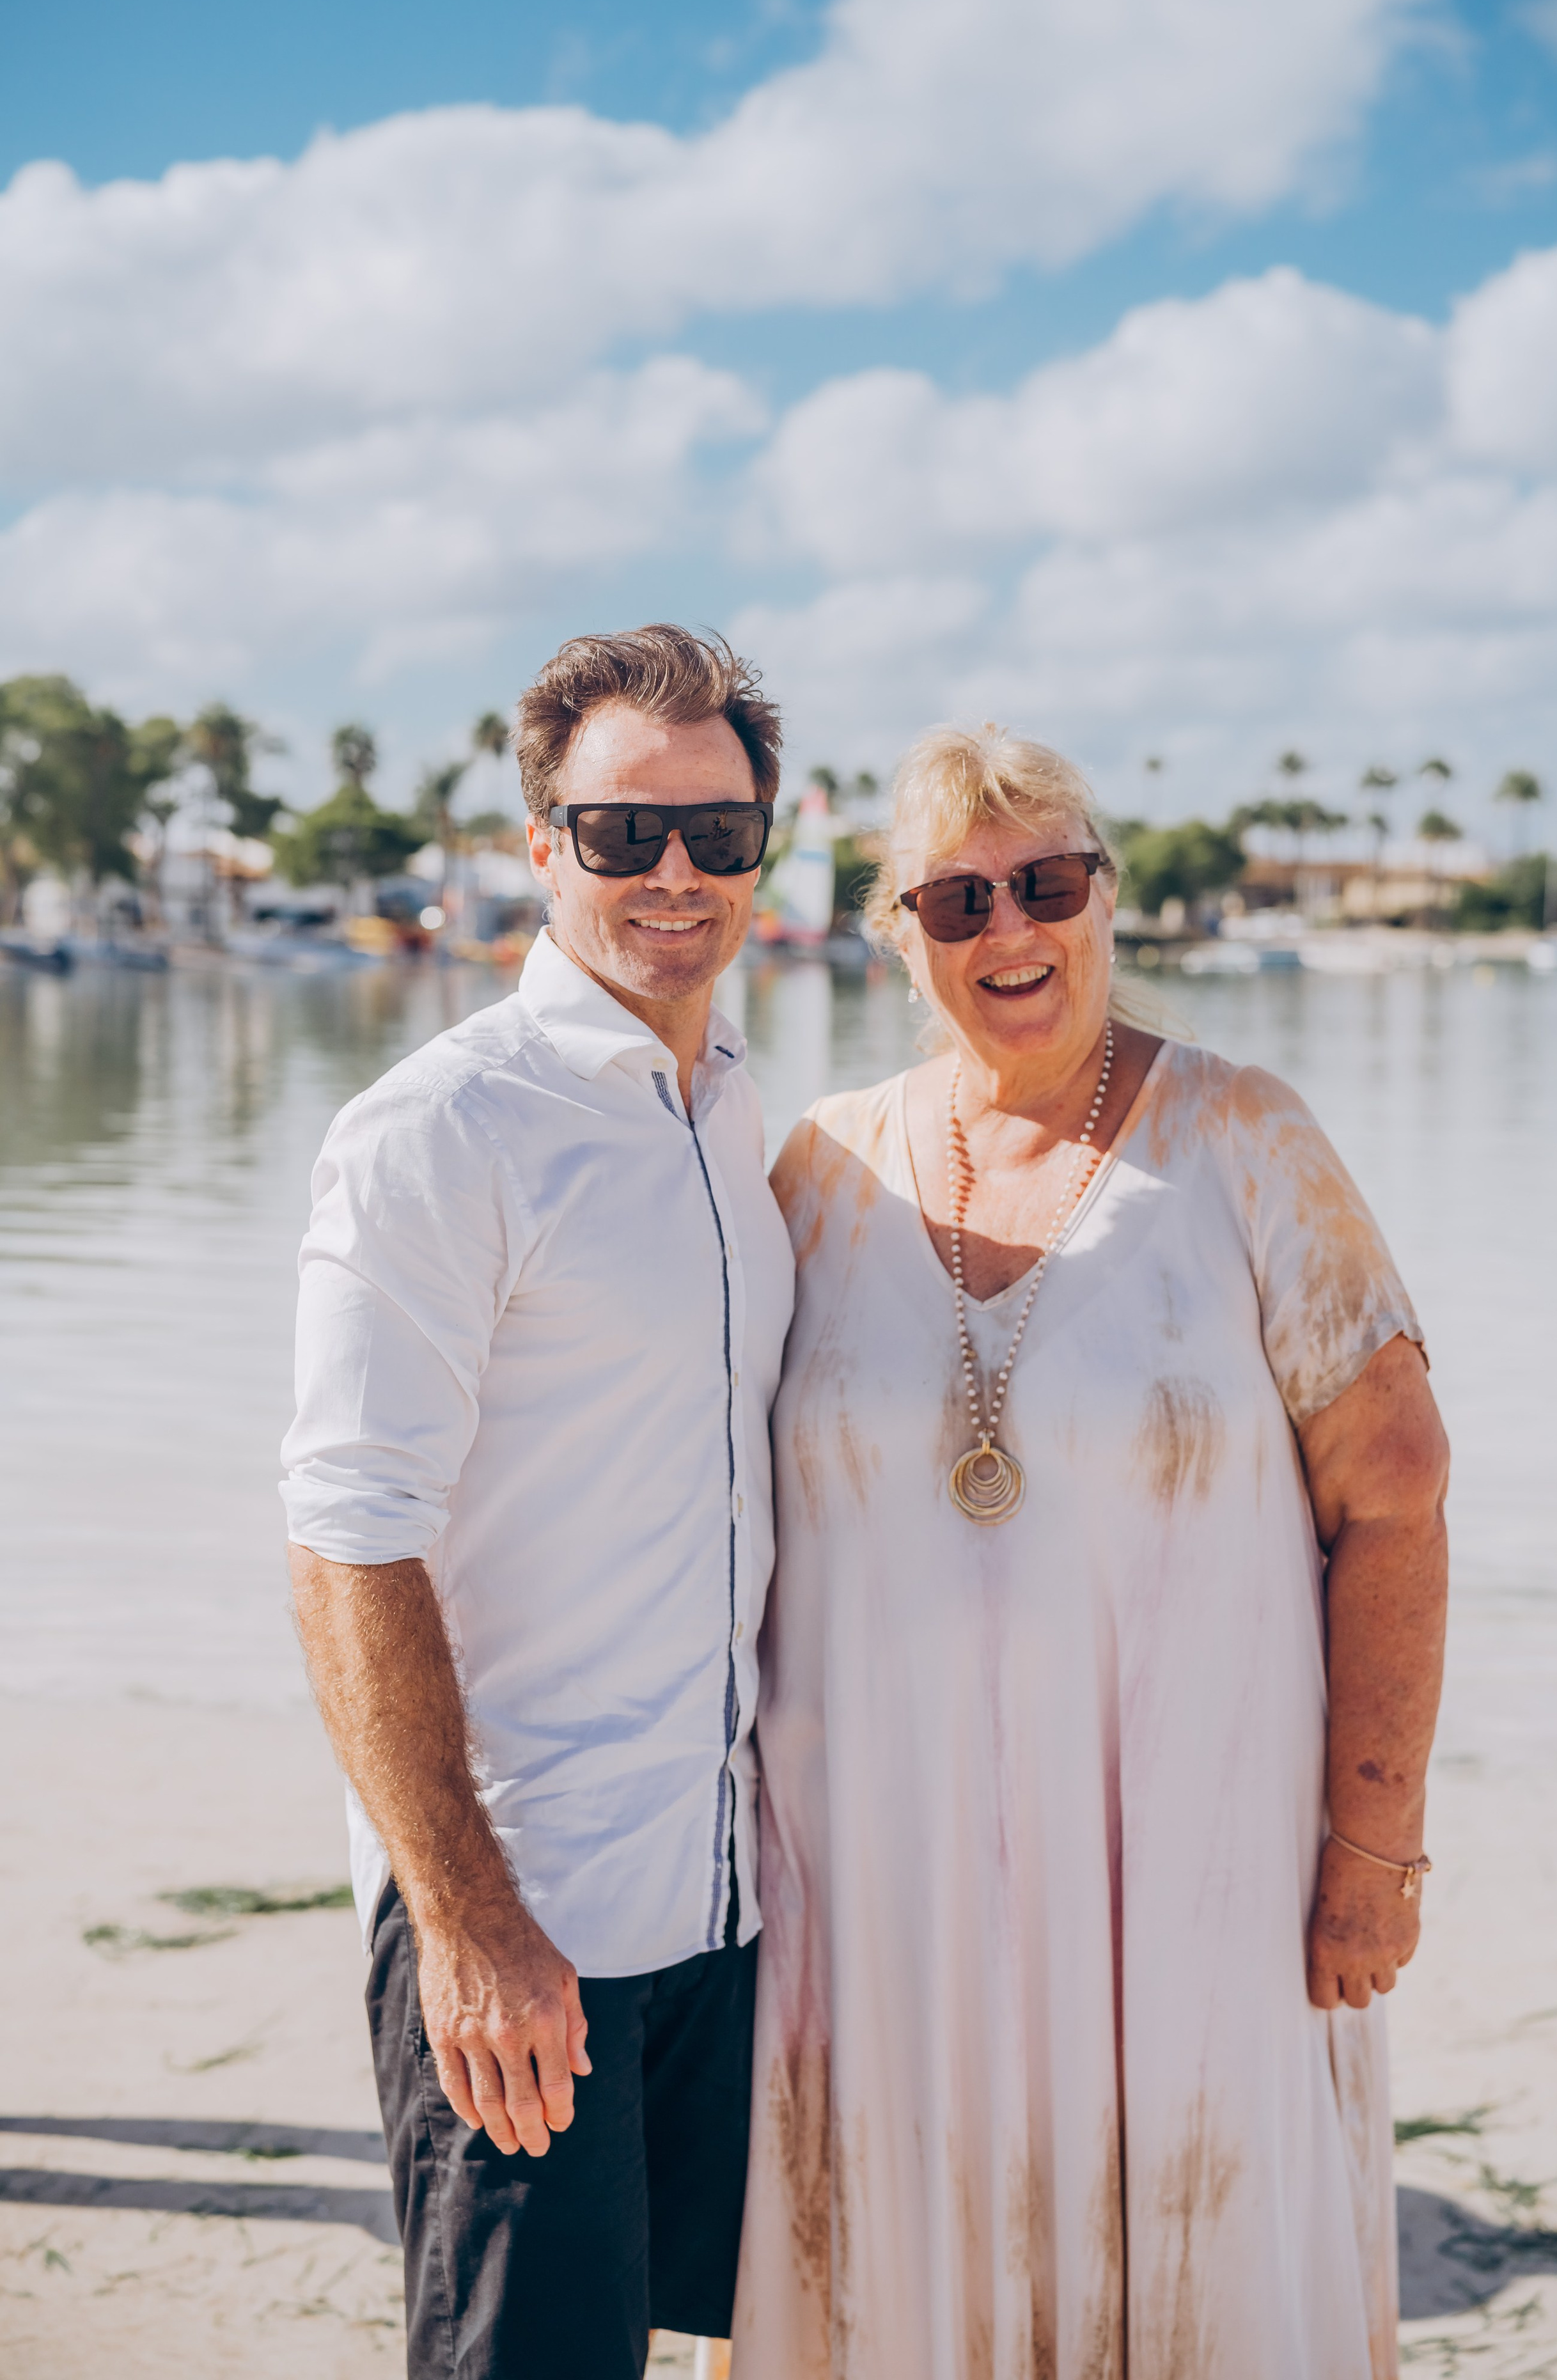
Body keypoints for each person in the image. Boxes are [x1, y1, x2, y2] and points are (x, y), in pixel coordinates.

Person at [733, 724, 1448, 2380]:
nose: (1010, 931)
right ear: (894, 934)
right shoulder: (818, 1171)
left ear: (1106, 897)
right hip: (877, 1901)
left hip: (1199, 1889)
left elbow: (1398, 1494)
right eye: (959, 897)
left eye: (1046, 882)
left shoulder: (1245, 1138)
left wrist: (1374, 1852)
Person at [281, 626, 795, 2380]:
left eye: (715, 836)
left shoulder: (734, 1120)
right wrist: (471, 1923)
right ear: (541, 847)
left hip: (721, 1913)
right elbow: (349, 1536)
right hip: (530, 1928)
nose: (672, 874)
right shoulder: (443, 1132)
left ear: (764, 850)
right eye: (620, 832)